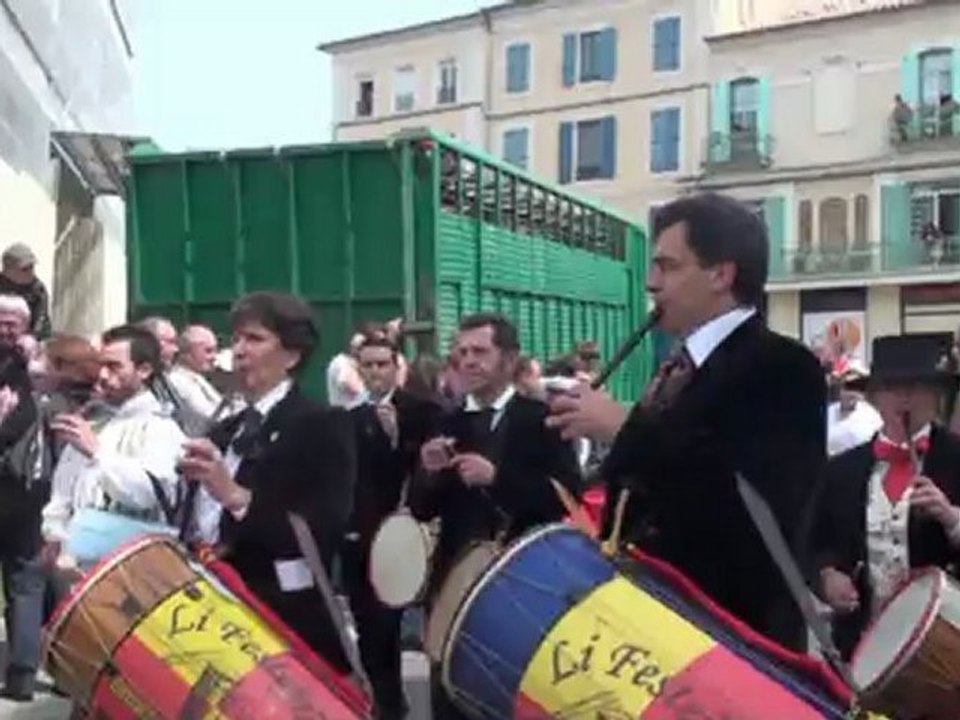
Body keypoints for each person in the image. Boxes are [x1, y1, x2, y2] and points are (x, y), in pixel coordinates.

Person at [547, 193, 827, 652]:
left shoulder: (783, 366)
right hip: (655, 636)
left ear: (721, 275)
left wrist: (625, 427)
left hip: (731, 643)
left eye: (668, 267)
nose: (651, 284)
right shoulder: (679, 368)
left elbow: (750, 503)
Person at [410, 312, 581, 719]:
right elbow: (421, 508)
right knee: (447, 695)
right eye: (461, 352)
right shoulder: (446, 420)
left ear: (509, 359)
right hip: (454, 580)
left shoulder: (540, 419)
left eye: (480, 352)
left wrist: (498, 479)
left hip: (520, 584)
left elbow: (567, 498)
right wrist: (427, 473)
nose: (468, 361)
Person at [177, 291, 356, 672]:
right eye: (236, 339)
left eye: (255, 339)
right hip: (212, 617)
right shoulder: (225, 429)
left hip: (283, 622)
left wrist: (236, 497)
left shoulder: (321, 424)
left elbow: (323, 527)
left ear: (292, 355)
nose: (240, 351)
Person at [812, 333, 960, 660]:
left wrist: (951, 518)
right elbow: (816, 544)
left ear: (936, 395)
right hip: (864, 647)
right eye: (892, 387)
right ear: (875, 397)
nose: (904, 397)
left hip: (948, 644)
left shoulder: (955, 459)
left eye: (917, 387)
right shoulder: (842, 471)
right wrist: (826, 577)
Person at [343, 335, 439, 719]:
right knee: (368, 630)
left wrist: (395, 439)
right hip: (358, 536)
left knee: (389, 625)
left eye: (382, 364)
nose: (375, 372)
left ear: (397, 366)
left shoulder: (422, 411)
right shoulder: (348, 416)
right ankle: (384, 704)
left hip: (402, 534)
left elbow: (425, 473)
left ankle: (393, 704)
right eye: (368, 365)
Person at [40, 326, 186, 567]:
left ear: (144, 370)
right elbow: (65, 485)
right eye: (101, 365)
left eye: (114, 366)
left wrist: (97, 452)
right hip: (75, 561)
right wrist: (53, 533)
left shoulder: (160, 428)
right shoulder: (95, 421)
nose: (103, 375)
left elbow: (148, 494)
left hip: (132, 565)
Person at [0, 244, 50, 339]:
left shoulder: (37, 289)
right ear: (8, 269)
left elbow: (41, 322)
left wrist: (32, 339)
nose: (31, 272)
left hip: (26, 339)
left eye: (32, 267)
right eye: (25, 269)